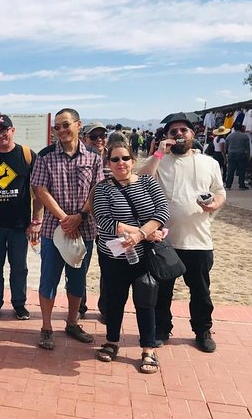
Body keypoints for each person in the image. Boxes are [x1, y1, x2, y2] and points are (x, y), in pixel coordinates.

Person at [139, 112, 226, 353]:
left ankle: (202, 330)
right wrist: (158, 152)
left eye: (183, 131)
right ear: (166, 136)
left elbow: (220, 192)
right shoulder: (160, 161)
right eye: (173, 131)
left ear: (192, 134)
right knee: (162, 291)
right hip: (166, 239)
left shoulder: (209, 162)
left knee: (200, 291)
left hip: (199, 239)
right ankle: (161, 329)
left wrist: (214, 204)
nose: (178, 135)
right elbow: (142, 180)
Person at [93, 142, 170, 374]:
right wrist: (139, 233)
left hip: (144, 255)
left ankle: (148, 348)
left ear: (133, 161)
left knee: (146, 300)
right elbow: (104, 220)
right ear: (108, 164)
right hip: (114, 255)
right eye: (115, 160)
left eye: (125, 158)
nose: (120, 163)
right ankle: (112, 341)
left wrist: (140, 235)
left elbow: (162, 212)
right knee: (115, 299)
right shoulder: (103, 188)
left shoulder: (148, 182)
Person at [31, 108, 104, 350]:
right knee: (49, 279)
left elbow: (97, 189)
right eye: (57, 127)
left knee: (77, 280)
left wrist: (80, 216)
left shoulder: (93, 157)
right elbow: (40, 189)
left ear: (78, 125)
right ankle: (46, 326)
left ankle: (72, 322)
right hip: (54, 229)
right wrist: (65, 219)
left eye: (66, 125)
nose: (61, 130)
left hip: (85, 229)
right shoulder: (45, 156)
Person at [0, 115, 42, 321]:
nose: (0, 135)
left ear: (12, 131)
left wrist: (36, 220)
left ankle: (19, 304)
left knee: (19, 266)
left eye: (4, 130)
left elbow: (38, 190)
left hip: (19, 225)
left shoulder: (27, 155)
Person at [79, 122, 110, 321]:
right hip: (87, 222)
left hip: (109, 224)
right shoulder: (82, 159)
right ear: (84, 138)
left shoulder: (115, 158)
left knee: (108, 269)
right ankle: (79, 305)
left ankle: (106, 308)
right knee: (80, 266)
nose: (99, 139)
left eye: (102, 135)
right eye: (94, 136)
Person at [225, 123, 250, 190]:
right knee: (242, 170)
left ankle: (228, 185)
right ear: (241, 128)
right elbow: (248, 148)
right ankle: (241, 185)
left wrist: (226, 154)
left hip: (231, 154)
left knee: (230, 170)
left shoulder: (229, 136)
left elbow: (226, 146)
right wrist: (248, 156)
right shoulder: (245, 136)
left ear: (234, 128)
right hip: (241, 154)